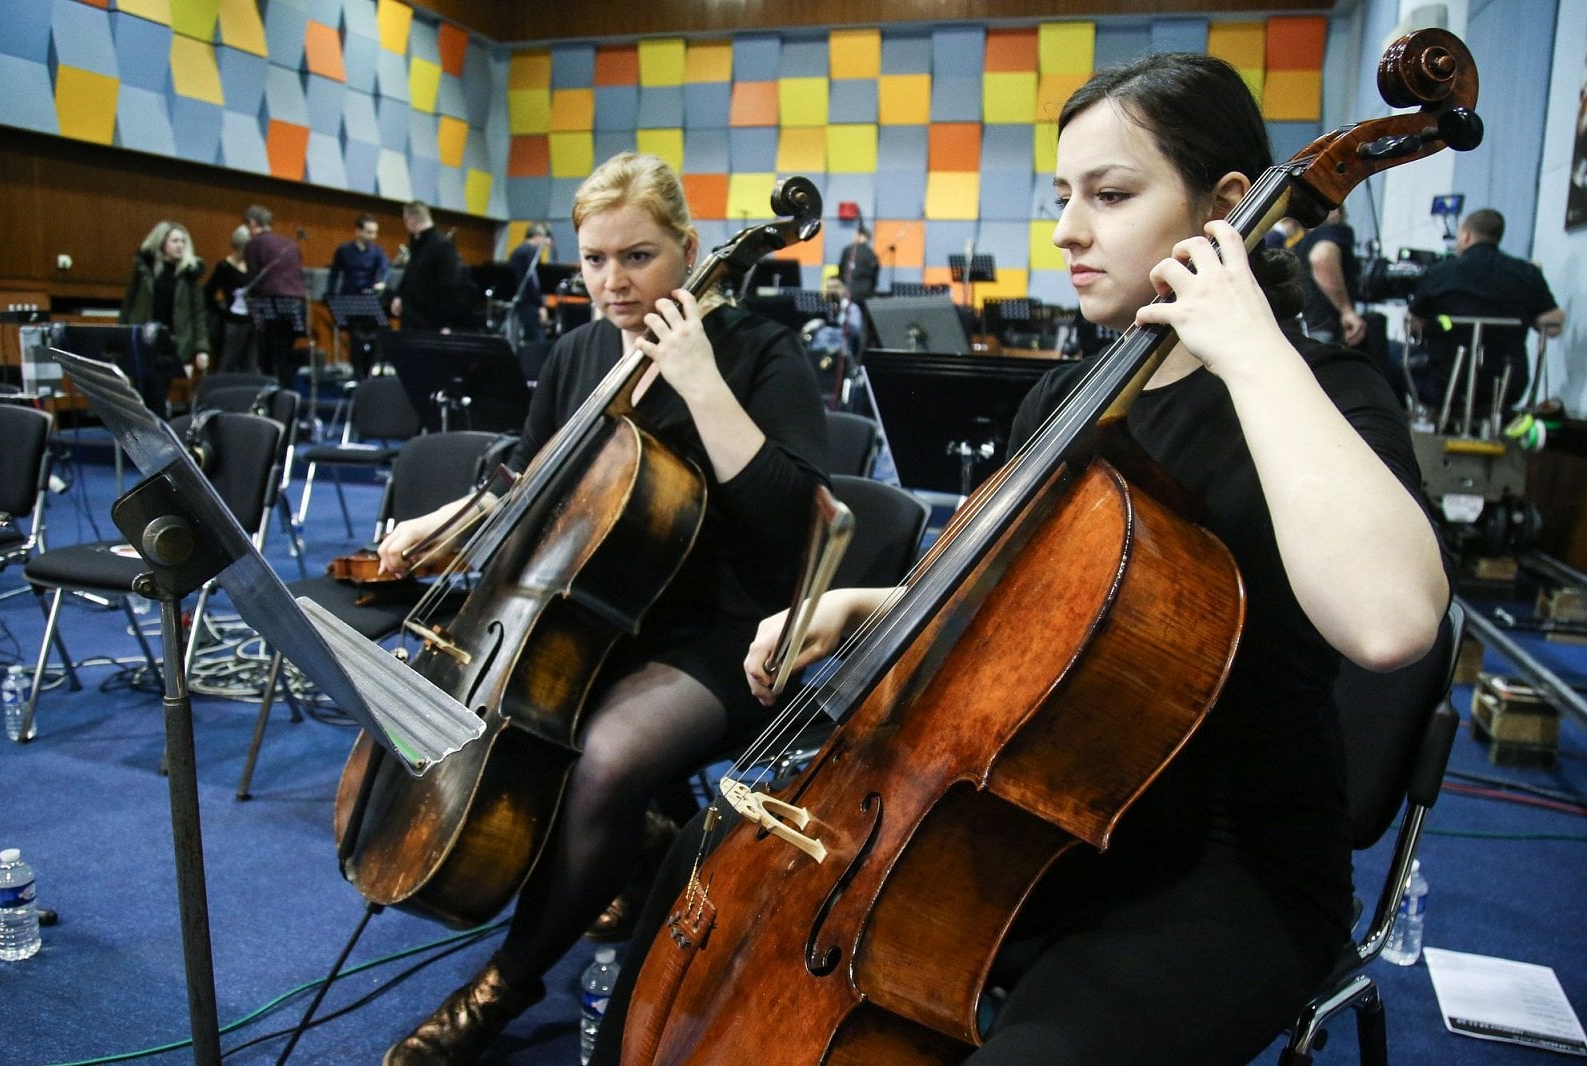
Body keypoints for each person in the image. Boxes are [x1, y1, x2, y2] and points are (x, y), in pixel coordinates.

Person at [591, 52, 1449, 1066]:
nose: (1066, 230)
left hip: (1221, 869)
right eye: (1061, 197)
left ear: (1226, 207)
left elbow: (1392, 619)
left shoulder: (1319, 394)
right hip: (1016, 817)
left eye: (1111, 194)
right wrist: (857, 609)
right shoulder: (1066, 401)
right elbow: (1007, 604)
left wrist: (1249, 346)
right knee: (709, 857)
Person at [374, 151, 829, 1064]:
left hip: (731, 630)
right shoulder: (581, 351)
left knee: (603, 757)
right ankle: (634, 843)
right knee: (502, 721)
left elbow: (795, 523)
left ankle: (507, 984)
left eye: (639, 257)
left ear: (691, 250)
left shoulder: (761, 352)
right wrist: (448, 519)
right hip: (598, 609)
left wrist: (698, 378)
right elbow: (535, 478)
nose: (614, 284)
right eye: (595, 260)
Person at [1409, 207, 1564, 413]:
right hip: (1508, 384)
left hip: (1444, 380)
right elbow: (1554, 326)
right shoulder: (1528, 273)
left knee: (1388, 356)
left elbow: (1413, 322)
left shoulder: (1441, 272)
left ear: (1466, 236)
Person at [118, 220, 210, 414]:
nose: (180, 245)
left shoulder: (189, 273)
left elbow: (198, 313)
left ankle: (158, 436)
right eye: (175, 241)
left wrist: (201, 348)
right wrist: (120, 337)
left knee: (158, 395)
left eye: (183, 241)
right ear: (162, 243)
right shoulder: (144, 268)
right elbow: (129, 303)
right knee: (140, 395)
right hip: (144, 339)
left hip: (172, 343)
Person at [242, 203, 306, 387]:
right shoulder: (288, 243)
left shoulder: (254, 243)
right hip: (297, 306)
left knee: (268, 358)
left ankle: (271, 399)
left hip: (271, 304)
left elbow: (253, 280)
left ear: (253, 223)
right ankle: (287, 393)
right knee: (284, 354)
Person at [327, 214, 390, 379]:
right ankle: (357, 374)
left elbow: (384, 269)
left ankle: (370, 372)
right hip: (349, 299)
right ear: (358, 231)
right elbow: (334, 273)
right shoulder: (344, 250)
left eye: (375, 232)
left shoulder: (378, 252)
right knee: (355, 337)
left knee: (377, 335)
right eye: (369, 232)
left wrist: (381, 282)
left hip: (370, 300)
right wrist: (330, 293)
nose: (372, 236)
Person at [391, 200, 469, 332]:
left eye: (405, 220)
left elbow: (450, 286)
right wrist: (399, 296)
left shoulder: (443, 246)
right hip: (411, 318)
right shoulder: (417, 243)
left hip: (431, 321)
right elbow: (410, 274)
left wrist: (447, 324)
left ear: (412, 219)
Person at [1293, 206, 1366, 348]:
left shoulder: (1301, 244)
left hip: (1305, 327)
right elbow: (1322, 257)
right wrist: (1347, 311)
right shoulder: (1334, 231)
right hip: (1327, 326)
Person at [204, 225, 255, 374]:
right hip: (233, 320)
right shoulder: (224, 266)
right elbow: (208, 292)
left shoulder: (253, 266)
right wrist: (222, 312)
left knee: (251, 363)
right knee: (228, 360)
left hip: (252, 319)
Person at [506, 220, 554, 343]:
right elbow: (532, 281)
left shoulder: (517, 251)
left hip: (519, 301)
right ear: (538, 236)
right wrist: (541, 305)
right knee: (537, 341)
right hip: (529, 304)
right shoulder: (530, 252)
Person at [836, 223, 879, 304]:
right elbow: (875, 274)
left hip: (849, 291)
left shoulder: (848, 251)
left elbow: (841, 270)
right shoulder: (871, 254)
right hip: (866, 292)